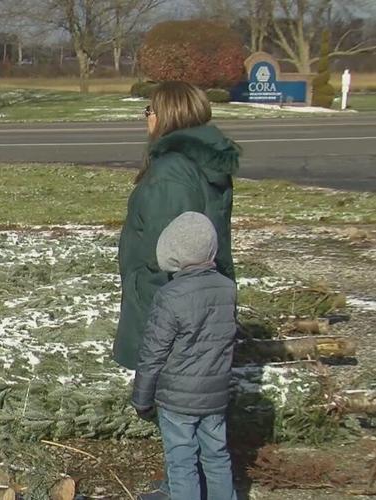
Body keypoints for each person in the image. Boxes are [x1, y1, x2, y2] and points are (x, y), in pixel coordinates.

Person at [112, 81, 240, 499]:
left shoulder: (172, 173)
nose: (144, 117)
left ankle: (182, 488)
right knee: (206, 428)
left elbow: (168, 250)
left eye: (148, 109)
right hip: (203, 303)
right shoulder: (201, 162)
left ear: (166, 114)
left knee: (178, 416)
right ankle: (192, 485)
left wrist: (137, 281)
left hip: (169, 300)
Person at [131, 211, 238, 500]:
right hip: (215, 395)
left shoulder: (170, 296)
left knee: (182, 462)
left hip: (178, 400)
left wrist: (141, 398)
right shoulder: (228, 289)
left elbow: (153, 353)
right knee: (217, 457)